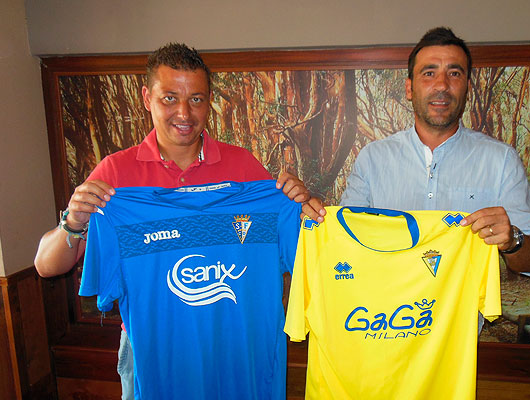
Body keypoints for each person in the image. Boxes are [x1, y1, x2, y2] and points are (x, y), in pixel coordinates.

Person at [34, 43, 324, 400]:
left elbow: (307, 252)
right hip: (156, 353)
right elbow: (46, 267)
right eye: (169, 98)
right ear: (147, 97)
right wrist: (73, 221)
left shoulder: (246, 170)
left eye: (197, 99)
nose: (184, 113)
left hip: (237, 347)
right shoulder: (115, 177)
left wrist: (306, 207)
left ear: (209, 101)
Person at [340, 27, 530, 301]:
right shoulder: (372, 159)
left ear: (467, 87)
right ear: (409, 88)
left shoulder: (500, 161)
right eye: (429, 73)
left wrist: (512, 240)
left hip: (462, 335)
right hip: (383, 327)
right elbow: (345, 242)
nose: (441, 85)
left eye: (454, 73)